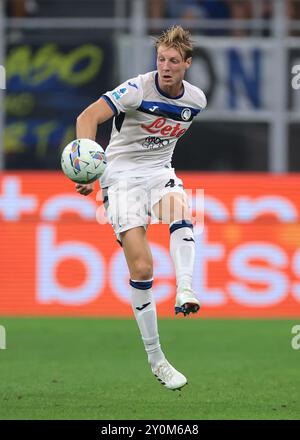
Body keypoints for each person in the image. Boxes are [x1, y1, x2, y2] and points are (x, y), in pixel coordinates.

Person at [75, 25, 207, 391]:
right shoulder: (135, 89)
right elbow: (87, 118)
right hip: (118, 178)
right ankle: (157, 359)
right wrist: (90, 163)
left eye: (174, 61)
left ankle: (185, 290)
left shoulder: (196, 101)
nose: (165, 67)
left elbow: (161, 140)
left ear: (187, 64)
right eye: (161, 59)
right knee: (143, 266)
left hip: (158, 172)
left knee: (182, 209)